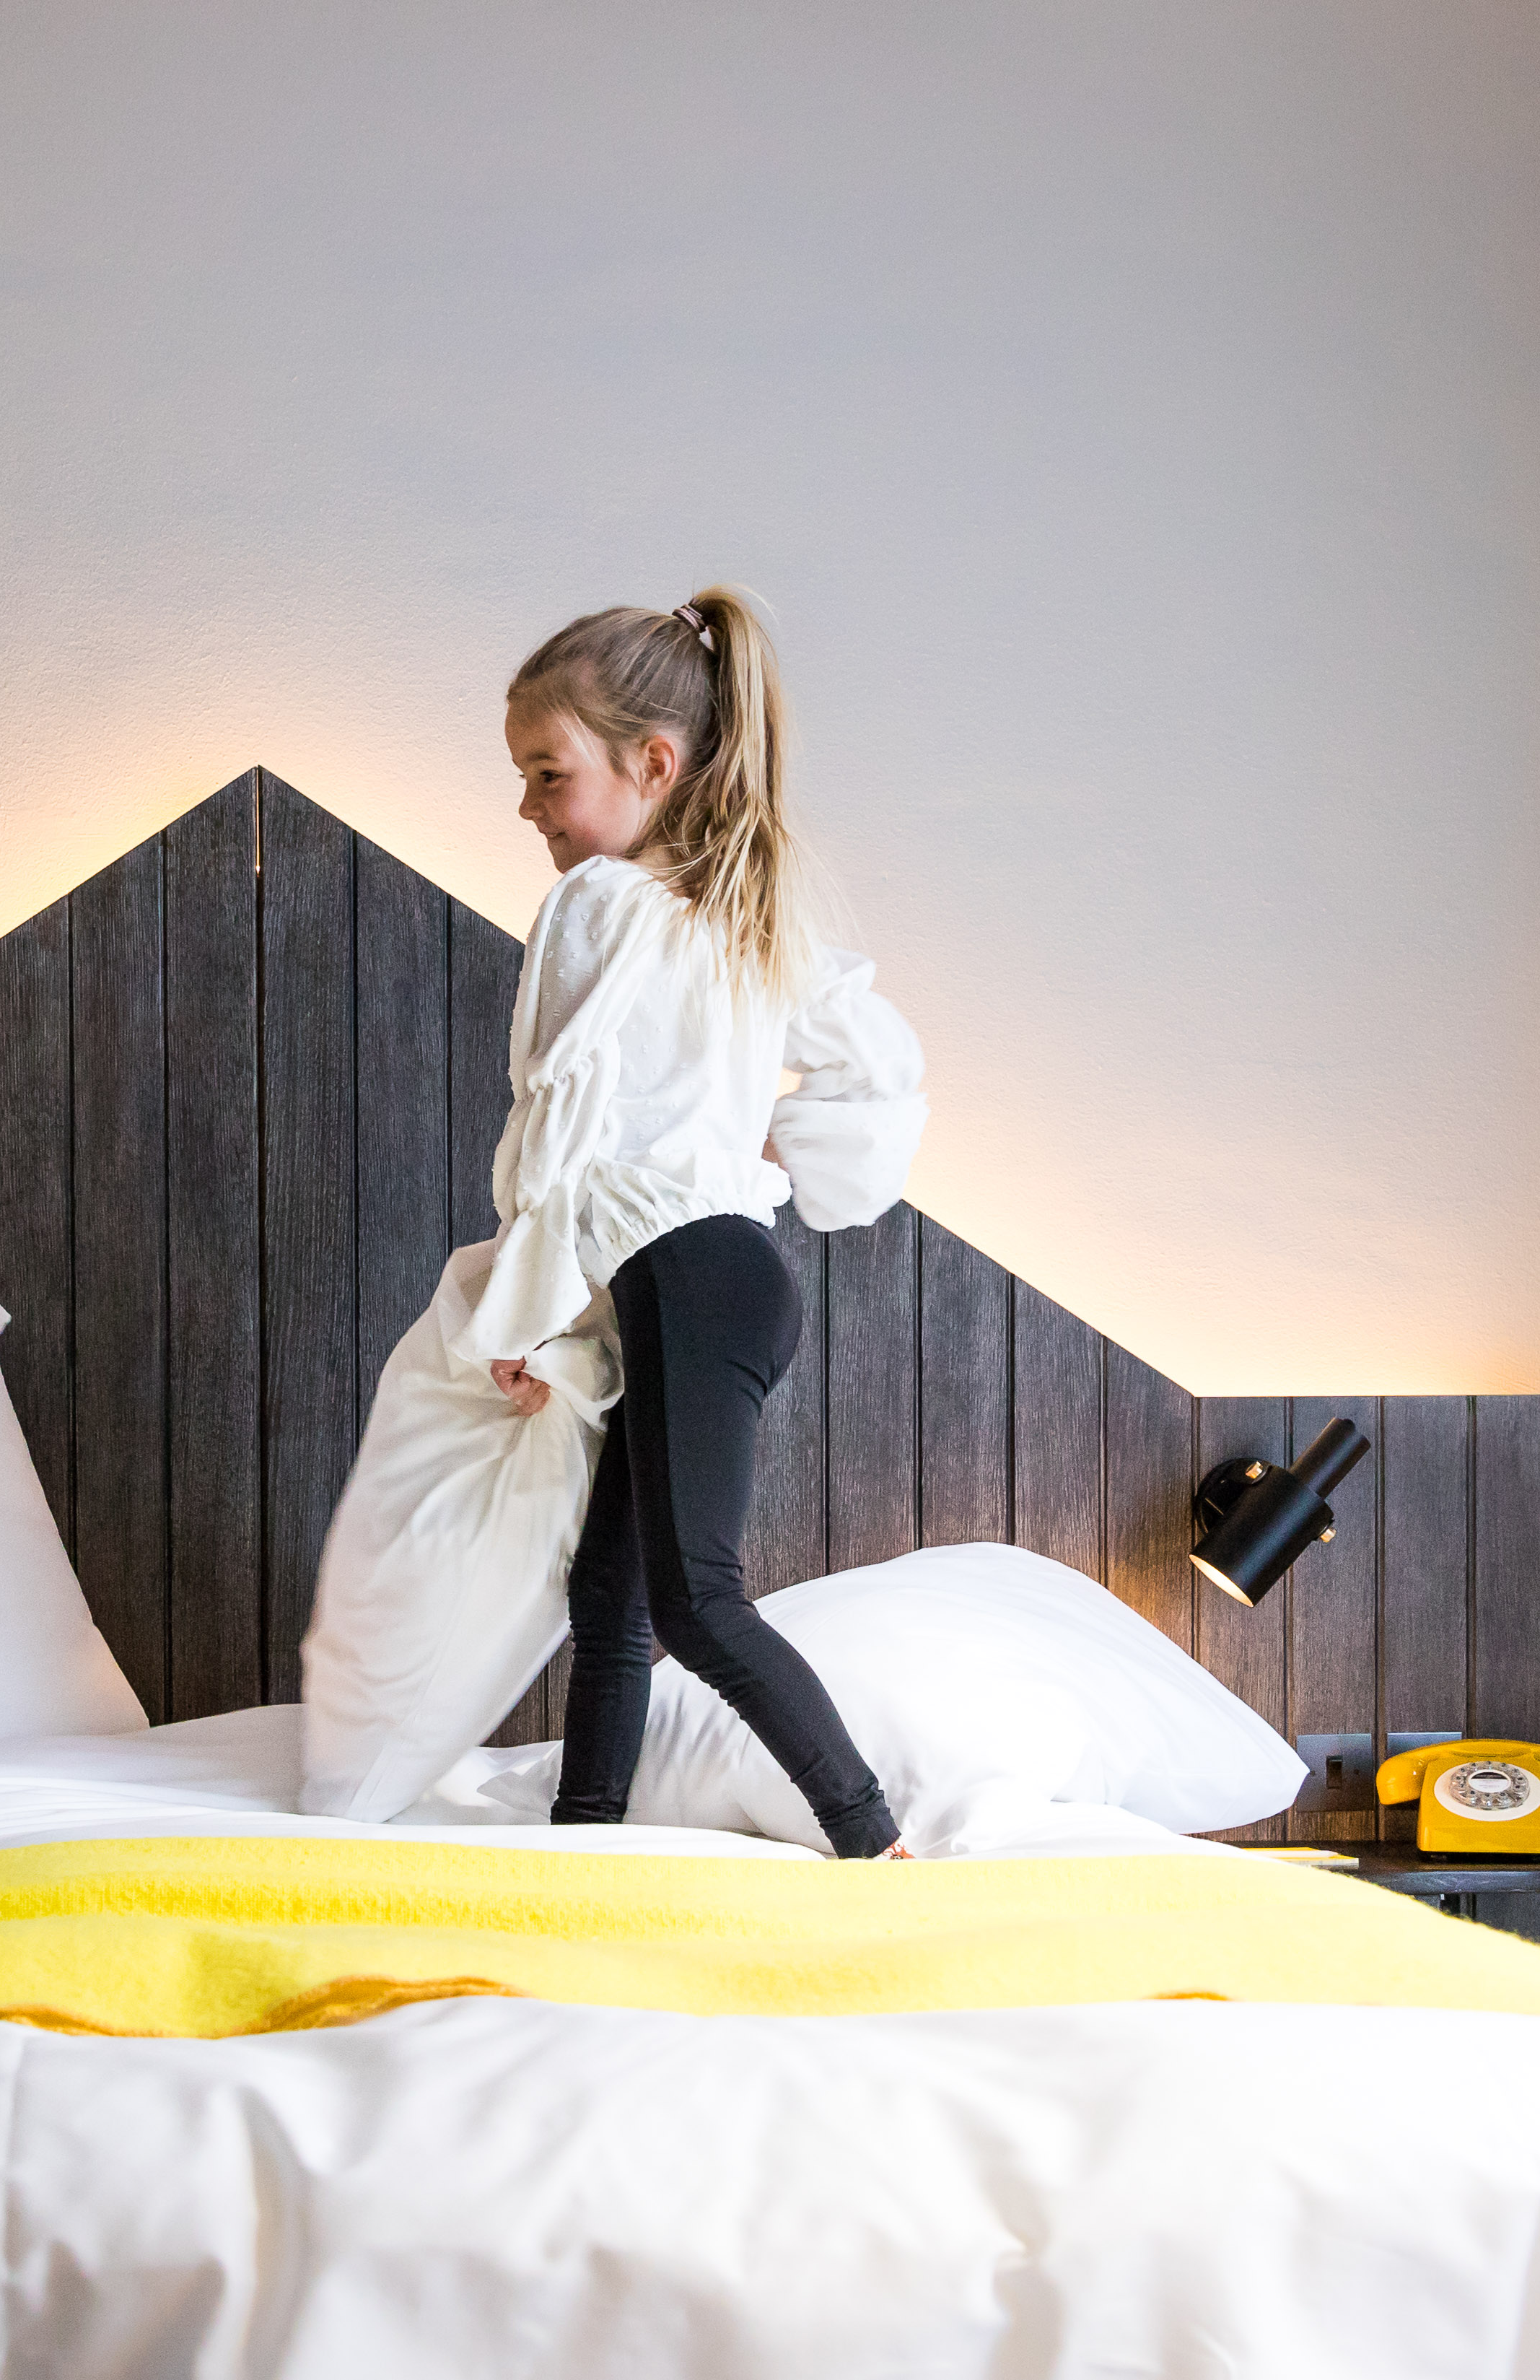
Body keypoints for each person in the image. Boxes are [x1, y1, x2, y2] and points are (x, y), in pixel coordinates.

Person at [475, 593, 929, 1858]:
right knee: (610, 1591)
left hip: (684, 1272)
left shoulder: (602, 904)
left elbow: (555, 1127)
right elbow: (882, 1076)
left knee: (693, 1602)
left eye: (545, 774)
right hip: (724, 1271)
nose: (527, 809)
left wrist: (524, 1315)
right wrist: (762, 1145)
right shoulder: (743, 916)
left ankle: (871, 1838)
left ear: (653, 764)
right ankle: (584, 1840)